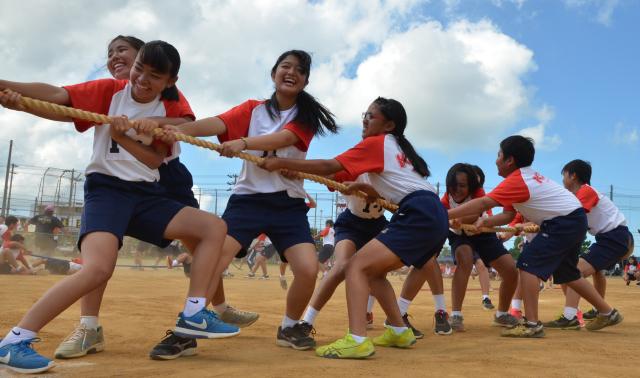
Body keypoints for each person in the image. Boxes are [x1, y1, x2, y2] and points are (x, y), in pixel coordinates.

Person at [0, 40, 235, 373]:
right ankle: (15, 340)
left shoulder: (171, 110)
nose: (142, 78)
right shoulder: (111, 91)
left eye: (154, 75)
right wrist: (13, 95)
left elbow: (155, 159)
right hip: (107, 190)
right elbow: (57, 98)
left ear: (170, 81)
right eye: (139, 68)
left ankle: (195, 313)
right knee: (97, 269)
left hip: (147, 193)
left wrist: (133, 132)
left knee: (213, 227)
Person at [158, 49, 338, 351]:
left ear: (305, 82)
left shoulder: (305, 117)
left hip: (288, 205)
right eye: (285, 66)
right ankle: (188, 329)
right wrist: (179, 130)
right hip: (248, 201)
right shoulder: (253, 109)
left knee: (308, 269)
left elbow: (284, 139)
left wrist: (242, 142)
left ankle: (289, 328)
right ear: (274, 73)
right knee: (215, 259)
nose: (291, 72)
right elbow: (217, 123)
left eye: (299, 70)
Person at [260, 97, 449, 359]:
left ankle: (358, 338)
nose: (365, 119)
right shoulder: (397, 148)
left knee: (354, 266)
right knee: (372, 271)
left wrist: (283, 163)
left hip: (417, 212)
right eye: (365, 114)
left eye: (371, 116)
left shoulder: (377, 143)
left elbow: (328, 166)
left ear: (389, 125)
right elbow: (340, 175)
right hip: (432, 213)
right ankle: (398, 329)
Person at [448, 135, 622, 338]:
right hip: (573, 221)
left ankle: (532, 324)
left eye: (499, 155)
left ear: (509, 160)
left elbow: (483, 204)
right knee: (568, 273)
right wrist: (483, 223)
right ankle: (607, 312)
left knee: (527, 264)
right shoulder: (525, 178)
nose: (496, 159)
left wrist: (445, 214)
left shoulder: (517, 180)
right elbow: (508, 214)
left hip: (562, 222)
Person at [544, 159, 634, 328]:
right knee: (596, 271)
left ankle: (570, 316)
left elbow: (570, 218)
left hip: (615, 237)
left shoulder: (585, 191)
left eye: (564, 175)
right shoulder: (579, 195)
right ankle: (597, 310)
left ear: (573, 176)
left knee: (573, 271)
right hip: (612, 238)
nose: (562, 179)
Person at [299, 172, 389, 337]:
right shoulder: (352, 167)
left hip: (378, 225)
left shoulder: (393, 173)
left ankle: (369, 314)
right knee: (341, 265)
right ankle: (306, 322)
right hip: (351, 223)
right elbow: (327, 172)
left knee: (377, 272)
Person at [442, 163, 519, 332]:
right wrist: (454, 223)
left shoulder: (478, 193)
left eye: (463, 186)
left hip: (483, 231)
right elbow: (439, 213)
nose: (457, 190)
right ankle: (456, 314)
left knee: (511, 270)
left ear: (472, 186)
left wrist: (460, 219)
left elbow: (475, 213)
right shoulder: (446, 198)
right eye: (453, 186)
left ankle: (501, 314)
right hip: (458, 234)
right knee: (465, 259)